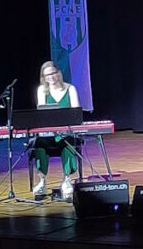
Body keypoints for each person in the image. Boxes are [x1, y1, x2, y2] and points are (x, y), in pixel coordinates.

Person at [32, 61, 81, 198]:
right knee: (39, 143)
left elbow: (76, 115)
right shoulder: (42, 90)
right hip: (48, 134)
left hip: (66, 133)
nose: (51, 77)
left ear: (59, 73)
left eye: (53, 73)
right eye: (47, 75)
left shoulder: (70, 89)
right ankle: (42, 181)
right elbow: (42, 116)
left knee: (68, 142)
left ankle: (67, 179)